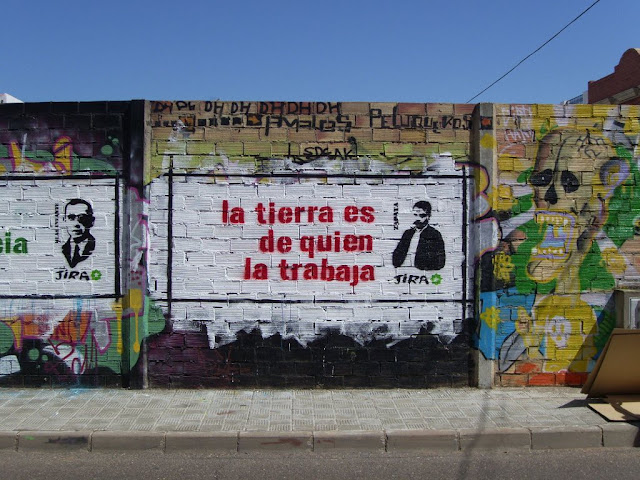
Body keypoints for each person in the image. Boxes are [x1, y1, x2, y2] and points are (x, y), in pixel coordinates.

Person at [392, 201, 445, 270]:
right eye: (415, 215)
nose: (418, 218)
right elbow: (396, 257)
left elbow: (440, 262)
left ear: (428, 216)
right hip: (402, 272)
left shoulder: (434, 234)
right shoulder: (407, 233)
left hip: (422, 274)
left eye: (422, 215)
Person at [62, 199, 95, 268]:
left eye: (82, 218)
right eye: (71, 217)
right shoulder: (64, 248)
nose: (76, 224)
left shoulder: (93, 246)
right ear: (64, 221)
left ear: (91, 221)